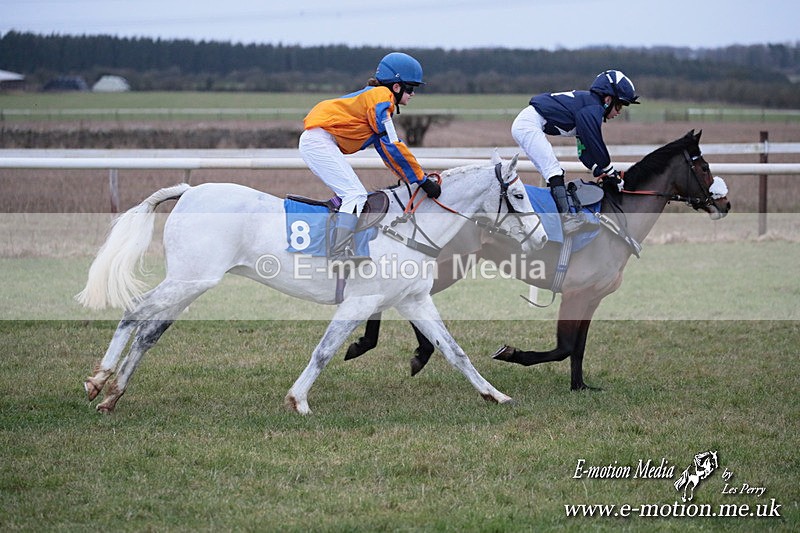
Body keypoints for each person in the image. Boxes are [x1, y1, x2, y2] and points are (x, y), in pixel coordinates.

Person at [299, 52, 441, 268]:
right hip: (319, 140)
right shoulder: (382, 98)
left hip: (320, 140)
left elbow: (386, 149)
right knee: (355, 194)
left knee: (352, 193)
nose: (412, 94)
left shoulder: (377, 99)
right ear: (396, 86)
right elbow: (393, 144)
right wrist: (421, 179)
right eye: (411, 88)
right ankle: (337, 253)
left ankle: (338, 239)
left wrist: (411, 178)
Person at [511, 69, 640, 232]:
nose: (619, 112)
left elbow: (584, 151)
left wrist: (598, 169)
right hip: (527, 125)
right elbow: (595, 142)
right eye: (620, 105)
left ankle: (558, 218)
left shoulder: (589, 106)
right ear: (608, 99)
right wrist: (609, 170)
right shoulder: (592, 109)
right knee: (554, 171)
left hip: (527, 123)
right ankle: (566, 220)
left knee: (554, 171)